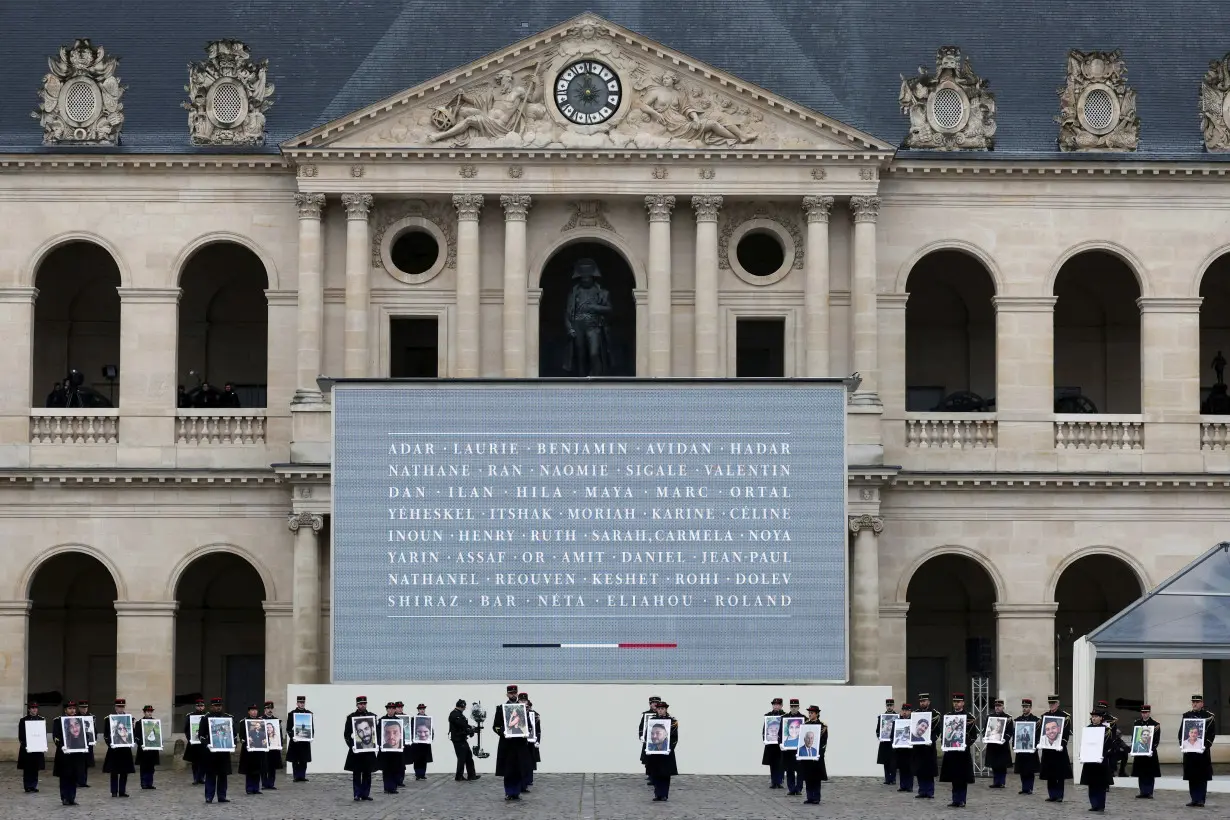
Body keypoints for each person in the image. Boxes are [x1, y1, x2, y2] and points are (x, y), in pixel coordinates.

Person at [938, 693, 978, 808]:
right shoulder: (948, 716)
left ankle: (962, 799)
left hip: (962, 752)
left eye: (959, 702)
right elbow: (945, 733)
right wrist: (944, 742)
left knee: (962, 776)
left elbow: (974, 736)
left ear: (963, 703)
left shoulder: (969, 717)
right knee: (954, 776)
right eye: (955, 702)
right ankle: (955, 799)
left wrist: (965, 743)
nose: (956, 704)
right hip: (951, 751)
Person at [493, 684, 531, 801]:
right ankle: (509, 792)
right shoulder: (501, 708)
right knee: (508, 769)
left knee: (519, 768)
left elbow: (528, 725)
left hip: (520, 743)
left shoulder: (523, 708)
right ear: (507, 694)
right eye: (511, 693)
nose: (513, 695)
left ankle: (517, 792)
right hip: (507, 744)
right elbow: (496, 726)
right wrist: (504, 732)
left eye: (515, 693)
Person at [196, 697, 236, 804]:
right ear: (211, 706)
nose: (218, 708)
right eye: (216, 706)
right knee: (210, 774)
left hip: (223, 751)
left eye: (219, 706)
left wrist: (233, 744)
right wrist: (207, 744)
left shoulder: (227, 718)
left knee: (223, 775)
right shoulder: (206, 718)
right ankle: (209, 796)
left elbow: (233, 734)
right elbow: (201, 735)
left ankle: (222, 796)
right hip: (211, 752)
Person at [1180, 693, 1216, 808]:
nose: (1194, 704)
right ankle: (1194, 799)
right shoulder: (1187, 715)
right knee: (1192, 776)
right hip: (1190, 752)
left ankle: (1201, 799)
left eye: (1197, 702)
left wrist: (1205, 746)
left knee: (1201, 777)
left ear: (1202, 703)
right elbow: (1181, 733)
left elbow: (1211, 735)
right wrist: (1183, 745)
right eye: (1193, 702)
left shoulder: (1209, 716)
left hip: (1202, 752)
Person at [1079, 708, 1119, 812]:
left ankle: (1101, 805)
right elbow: (1085, 744)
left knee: (1100, 784)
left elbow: (1110, 745)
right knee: (1091, 783)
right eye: (1092, 716)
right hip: (1090, 761)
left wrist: (1104, 755)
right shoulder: (1088, 728)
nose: (1094, 718)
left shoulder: (1106, 730)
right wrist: (1082, 754)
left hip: (1101, 760)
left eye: (1096, 716)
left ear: (1101, 718)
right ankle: (1094, 804)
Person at [1039, 694, 1073, 803]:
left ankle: (1059, 795)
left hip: (1059, 751)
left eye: (1053, 703)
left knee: (1060, 774)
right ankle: (1052, 794)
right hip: (1048, 750)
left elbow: (1066, 733)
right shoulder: (1045, 716)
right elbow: (1042, 732)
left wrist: (1061, 745)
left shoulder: (1065, 716)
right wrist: (1041, 742)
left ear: (1058, 704)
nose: (1051, 705)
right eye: (1050, 703)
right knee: (1050, 774)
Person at [344, 696, 379, 801]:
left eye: (364, 703)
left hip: (369, 750)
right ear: (357, 705)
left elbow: (376, 733)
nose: (363, 705)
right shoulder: (351, 717)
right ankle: (357, 794)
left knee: (367, 773)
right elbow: (346, 734)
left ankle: (365, 794)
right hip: (357, 751)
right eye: (360, 704)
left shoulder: (372, 716)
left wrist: (376, 743)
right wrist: (352, 746)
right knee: (357, 773)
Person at [53, 702, 87, 806]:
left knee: (74, 776)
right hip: (64, 753)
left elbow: (85, 734)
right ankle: (64, 797)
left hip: (76, 753)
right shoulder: (58, 720)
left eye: (73, 708)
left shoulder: (80, 720)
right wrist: (62, 744)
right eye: (70, 708)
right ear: (65, 710)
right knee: (64, 776)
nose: (72, 710)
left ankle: (72, 797)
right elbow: (56, 735)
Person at [645, 700, 679, 802]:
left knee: (665, 774)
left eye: (662, 709)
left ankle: (664, 794)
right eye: (659, 709)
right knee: (655, 773)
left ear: (665, 709)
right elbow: (648, 735)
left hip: (666, 752)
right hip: (654, 752)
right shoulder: (652, 721)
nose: (660, 710)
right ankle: (657, 794)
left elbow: (674, 737)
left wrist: (669, 748)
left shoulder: (672, 721)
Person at [102, 698, 135, 797]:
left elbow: (131, 734)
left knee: (124, 771)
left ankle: (122, 791)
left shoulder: (129, 718)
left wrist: (133, 729)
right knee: (114, 771)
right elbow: (106, 734)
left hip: (125, 749)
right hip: (114, 749)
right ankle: (114, 791)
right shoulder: (109, 718)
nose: (121, 708)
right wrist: (110, 744)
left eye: (122, 706)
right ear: (115, 707)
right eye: (119, 706)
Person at [795, 705, 828, 805]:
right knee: (808, 777)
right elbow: (801, 740)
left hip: (816, 756)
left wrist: (820, 754)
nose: (810, 714)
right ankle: (809, 797)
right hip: (806, 756)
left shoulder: (822, 726)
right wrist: (799, 753)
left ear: (817, 713)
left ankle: (816, 797)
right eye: (809, 713)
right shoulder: (805, 725)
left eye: (812, 713)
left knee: (816, 778)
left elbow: (823, 742)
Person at [912, 693, 940, 799]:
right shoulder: (915, 714)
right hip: (918, 747)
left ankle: (929, 791)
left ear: (929, 702)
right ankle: (921, 790)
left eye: (924, 701)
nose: (922, 703)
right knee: (919, 769)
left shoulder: (935, 714)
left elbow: (937, 731)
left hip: (929, 747)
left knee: (929, 769)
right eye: (921, 701)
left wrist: (932, 740)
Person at [1129, 704, 1160, 799]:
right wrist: (1134, 747)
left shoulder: (1155, 724)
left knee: (1150, 773)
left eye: (1146, 712)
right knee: (1141, 772)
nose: (1144, 714)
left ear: (1149, 713)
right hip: (1140, 751)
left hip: (1150, 753)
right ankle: (1143, 791)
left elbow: (1156, 740)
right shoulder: (1137, 723)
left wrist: (1152, 749)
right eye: (1142, 712)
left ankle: (1149, 791)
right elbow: (1134, 737)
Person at [1012, 698, 1041, 795]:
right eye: (1023, 707)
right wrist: (1014, 745)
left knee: (1030, 770)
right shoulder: (1018, 720)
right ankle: (1024, 787)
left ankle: (1029, 788)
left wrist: (1035, 744)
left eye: (1027, 707)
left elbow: (1038, 735)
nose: (1024, 709)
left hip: (1031, 748)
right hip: (1021, 748)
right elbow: (1015, 734)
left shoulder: (1036, 720)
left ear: (1030, 708)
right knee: (1022, 769)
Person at [984, 698, 1013, 789]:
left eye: (999, 706)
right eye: (996, 706)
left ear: (1003, 707)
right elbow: (986, 730)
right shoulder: (990, 717)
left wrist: (1005, 739)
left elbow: (1010, 731)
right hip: (992, 744)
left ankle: (1002, 782)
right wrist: (986, 736)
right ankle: (996, 782)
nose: (997, 708)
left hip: (1002, 745)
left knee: (1002, 765)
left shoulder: (1008, 718)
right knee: (994, 764)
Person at [18, 701, 46, 793]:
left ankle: (33, 785)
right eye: (33, 708)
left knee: (35, 767)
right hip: (27, 748)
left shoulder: (41, 719)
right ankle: (27, 786)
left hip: (37, 747)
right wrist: (27, 745)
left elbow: (42, 734)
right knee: (27, 768)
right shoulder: (23, 720)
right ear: (29, 709)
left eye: (36, 708)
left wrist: (42, 744)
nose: (34, 709)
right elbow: (21, 735)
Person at [448, 698, 479, 781]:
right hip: (458, 739)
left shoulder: (459, 714)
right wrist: (469, 730)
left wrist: (471, 728)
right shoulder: (454, 715)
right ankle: (459, 776)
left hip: (462, 738)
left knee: (468, 756)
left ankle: (471, 775)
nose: (465, 709)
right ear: (461, 706)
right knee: (462, 758)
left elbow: (464, 725)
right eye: (464, 707)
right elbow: (461, 725)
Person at [237, 704, 264, 795]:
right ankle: (249, 788)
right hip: (248, 750)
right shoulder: (243, 722)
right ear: (249, 712)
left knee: (258, 769)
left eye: (255, 710)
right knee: (249, 769)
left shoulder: (261, 721)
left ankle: (256, 788)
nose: (254, 712)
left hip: (259, 749)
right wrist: (245, 740)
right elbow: (241, 736)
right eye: (252, 710)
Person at [377, 702, 404, 794]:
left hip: (396, 751)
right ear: (387, 710)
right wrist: (380, 744)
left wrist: (402, 744)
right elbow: (378, 734)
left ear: (395, 710)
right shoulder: (381, 720)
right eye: (389, 708)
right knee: (386, 769)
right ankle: (387, 787)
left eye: (393, 708)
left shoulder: (399, 720)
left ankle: (393, 787)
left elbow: (402, 735)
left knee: (395, 768)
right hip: (385, 750)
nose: (391, 710)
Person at [285, 695, 312, 782]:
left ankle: (302, 776)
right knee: (295, 759)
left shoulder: (309, 714)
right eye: (300, 702)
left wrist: (311, 736)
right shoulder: (292, 714)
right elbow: (288, 728)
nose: (302, 704)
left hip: (305, 740)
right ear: (297, 703)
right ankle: (296, 776)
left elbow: (311, 727)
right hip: (295, 740)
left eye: (303, 702)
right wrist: (293, 737)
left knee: (304, 759)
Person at [780, 698, 805, 795]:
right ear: (790, 707)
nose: (794, 708)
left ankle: (798, 789)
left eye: (795, 706)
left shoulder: (803, 718)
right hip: (788, 750)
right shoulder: (784, 718)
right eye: (792, 707)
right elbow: (780, 732)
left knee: (800, 770)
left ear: (798, 707)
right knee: (789, 769)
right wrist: (780, 744)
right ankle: (791, 788)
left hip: (799, 749)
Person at [762, 697, 786, 789]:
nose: (776, 706)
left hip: (781, 744)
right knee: (773, 763)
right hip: (771, 744)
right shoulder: (768, 716)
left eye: (778, 704)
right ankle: (773, 781)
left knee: (781, 763)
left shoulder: (785, 715)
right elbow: (765, 729)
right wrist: (765, 739)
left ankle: (779, 781)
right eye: (774, 704)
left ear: (781, 705)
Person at [183, 698, 207, 784]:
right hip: (194, 742)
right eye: (198, 706)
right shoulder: (190, 716)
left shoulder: (207, 716)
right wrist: (190, 739)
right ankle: (196, 778)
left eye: (202, 706)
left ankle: (202, 777)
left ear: (204, 706)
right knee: (195, 762)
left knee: (204, 761)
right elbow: (186, 729)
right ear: (195, 706)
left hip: (204, 742)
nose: (200, 707)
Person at [136, 705, 159, 790]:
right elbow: (137, 736)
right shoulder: (139, 722)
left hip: (152, 749)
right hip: (143, 749)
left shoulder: (155, 722)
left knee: (151, 767)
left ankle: (150, 783)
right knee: (144, 767)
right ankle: (143, 783)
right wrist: (142, 744)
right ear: (144, 712)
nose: (150, 713)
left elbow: (157, 735)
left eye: (151, 711)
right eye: (148, 711)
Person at [639, 695, 661, 783]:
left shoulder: (663, 714)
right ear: (650, 704)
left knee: (658, 760)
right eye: (653, 703)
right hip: (648, 740)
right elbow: (642, 726)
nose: (655, 705)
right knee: (648, 759)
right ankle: (651, 775)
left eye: (657, 703)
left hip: (659, 741)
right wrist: (641, 735)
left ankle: (656, 776)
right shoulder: (646, 714)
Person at [893, 703, 915, 793]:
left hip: (910, 749)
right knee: (902, 768)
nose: (905, 712)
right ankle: (902, 785)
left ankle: (909, 786)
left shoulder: (913, 721)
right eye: (903, 710)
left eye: (907, 710)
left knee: (909, 768)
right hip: (901, 748)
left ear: (910, 711)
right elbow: (893, 733)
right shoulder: (898, 721)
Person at [876, 697, 897, 786]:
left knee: (893, 761)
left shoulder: (897, 716)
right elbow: (878, 730)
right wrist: (879, 736)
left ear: (893, 706)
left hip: (893, 743)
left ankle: (893, 778)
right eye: (888, 705)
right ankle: (887, 778)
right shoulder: (882, 717)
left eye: (891, 705)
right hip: (884, 742)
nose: (889, 707)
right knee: (886, 761)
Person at [260, 701, 280, 791]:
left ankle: (271, 783)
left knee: (272, 766)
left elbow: (279, 733)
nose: (270, 710)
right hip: (264, 747)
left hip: (274, 747)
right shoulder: (260, 720)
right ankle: (264, 783)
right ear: (264, 709)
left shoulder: (276, 720)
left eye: (271, 708)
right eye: (268, 708)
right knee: (264, 766)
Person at [76, 697, 96, 788]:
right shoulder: (75, 716)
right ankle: (77, 781)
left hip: (88, 743)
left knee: (85, 763)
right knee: (77, 763)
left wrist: (93, 739)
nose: (84, 709)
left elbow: (94, 730)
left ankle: (83, 781)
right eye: (82, 708)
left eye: (85, 708)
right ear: (79, 708)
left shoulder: (91, 717)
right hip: (78, 744)